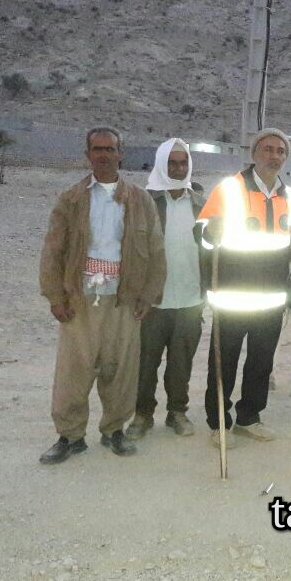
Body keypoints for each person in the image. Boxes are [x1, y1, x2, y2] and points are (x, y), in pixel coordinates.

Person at [38, 127, 166, 464]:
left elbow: (156, 250)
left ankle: (114, 430)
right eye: (97, 149)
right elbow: (53, 251)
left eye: (110, 149)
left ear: (121, 154)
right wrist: (55, 297)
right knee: (74, 371)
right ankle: (70, 436)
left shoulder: (140, 200)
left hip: (124, 300)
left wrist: (148, 295)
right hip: (80, 299)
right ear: (88, 155)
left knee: (120, 369)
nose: (104, 155)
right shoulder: (71, 199)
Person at [196, 128, 291, 447]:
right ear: (254, 153)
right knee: (223, 361)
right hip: (232, 297)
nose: (274, 156)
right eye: (267, 149)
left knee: (261, 361)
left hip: (271, 298)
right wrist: (211, 232)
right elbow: (201, 233)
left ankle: (249, 417)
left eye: (280, 151)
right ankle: (219, 422)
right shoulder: (229, 190)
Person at [125, 139, 206, 441]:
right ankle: (142, 414)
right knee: (145, 364)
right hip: (152, 302)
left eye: (183, 162)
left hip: (190, 298)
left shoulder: (201, 204)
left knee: (181, 364)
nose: (178, 168)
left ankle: (177, 412)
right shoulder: (143, 203)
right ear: (161, 164)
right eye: (172, 162)